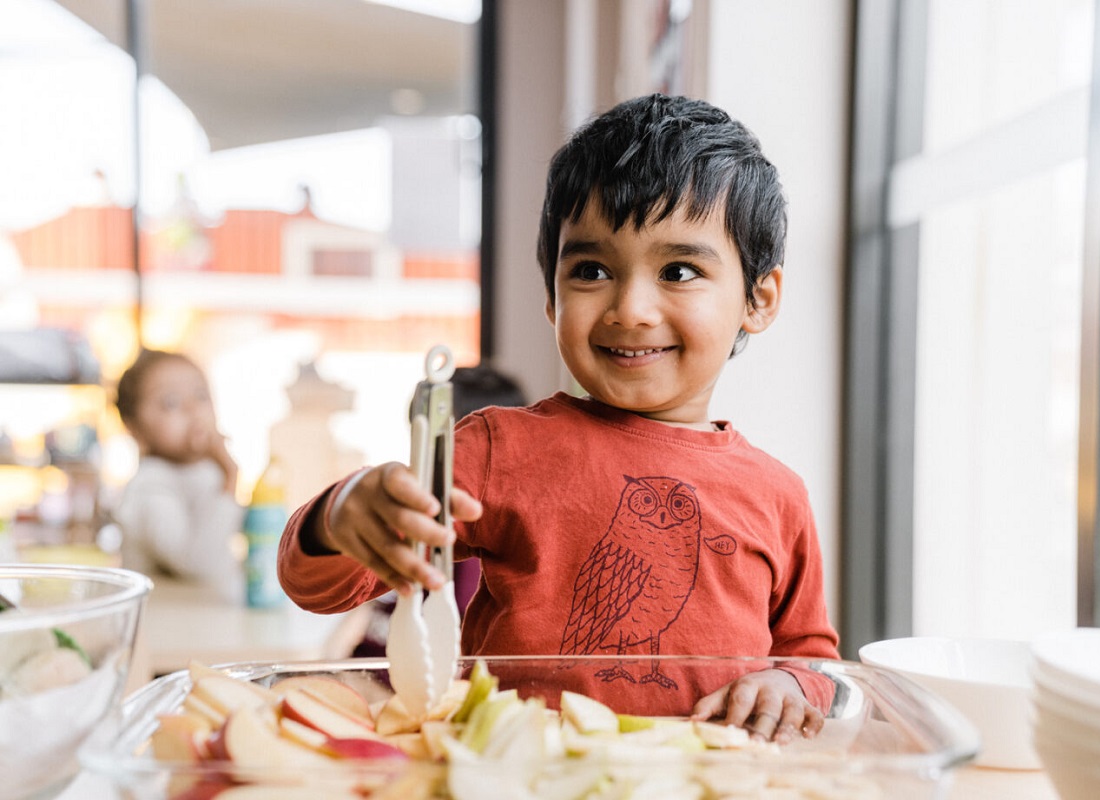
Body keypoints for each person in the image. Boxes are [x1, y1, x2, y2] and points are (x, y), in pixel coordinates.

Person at [278, 93, 840, 742]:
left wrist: (790, 684)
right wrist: (343, 514)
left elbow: (811, 656)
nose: (630, 308)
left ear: (758, 299)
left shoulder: (779, 496)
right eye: (592, 270)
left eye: (679, 270)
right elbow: (319, 583)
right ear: (551, 295)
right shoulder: (495, 449)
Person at [349, 363, 528, 658]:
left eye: (436, 447)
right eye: (416, 440)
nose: (419, 459)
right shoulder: (415, 515)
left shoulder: (473, 538)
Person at [113, 349, 243, 603]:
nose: (192, 410)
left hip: (200, 621)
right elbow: (197, 563)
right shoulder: (149, 487)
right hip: (165, 627)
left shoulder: (204, 472)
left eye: (201, 396)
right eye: (171, 402)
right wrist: (230, 475)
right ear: (134, 428)